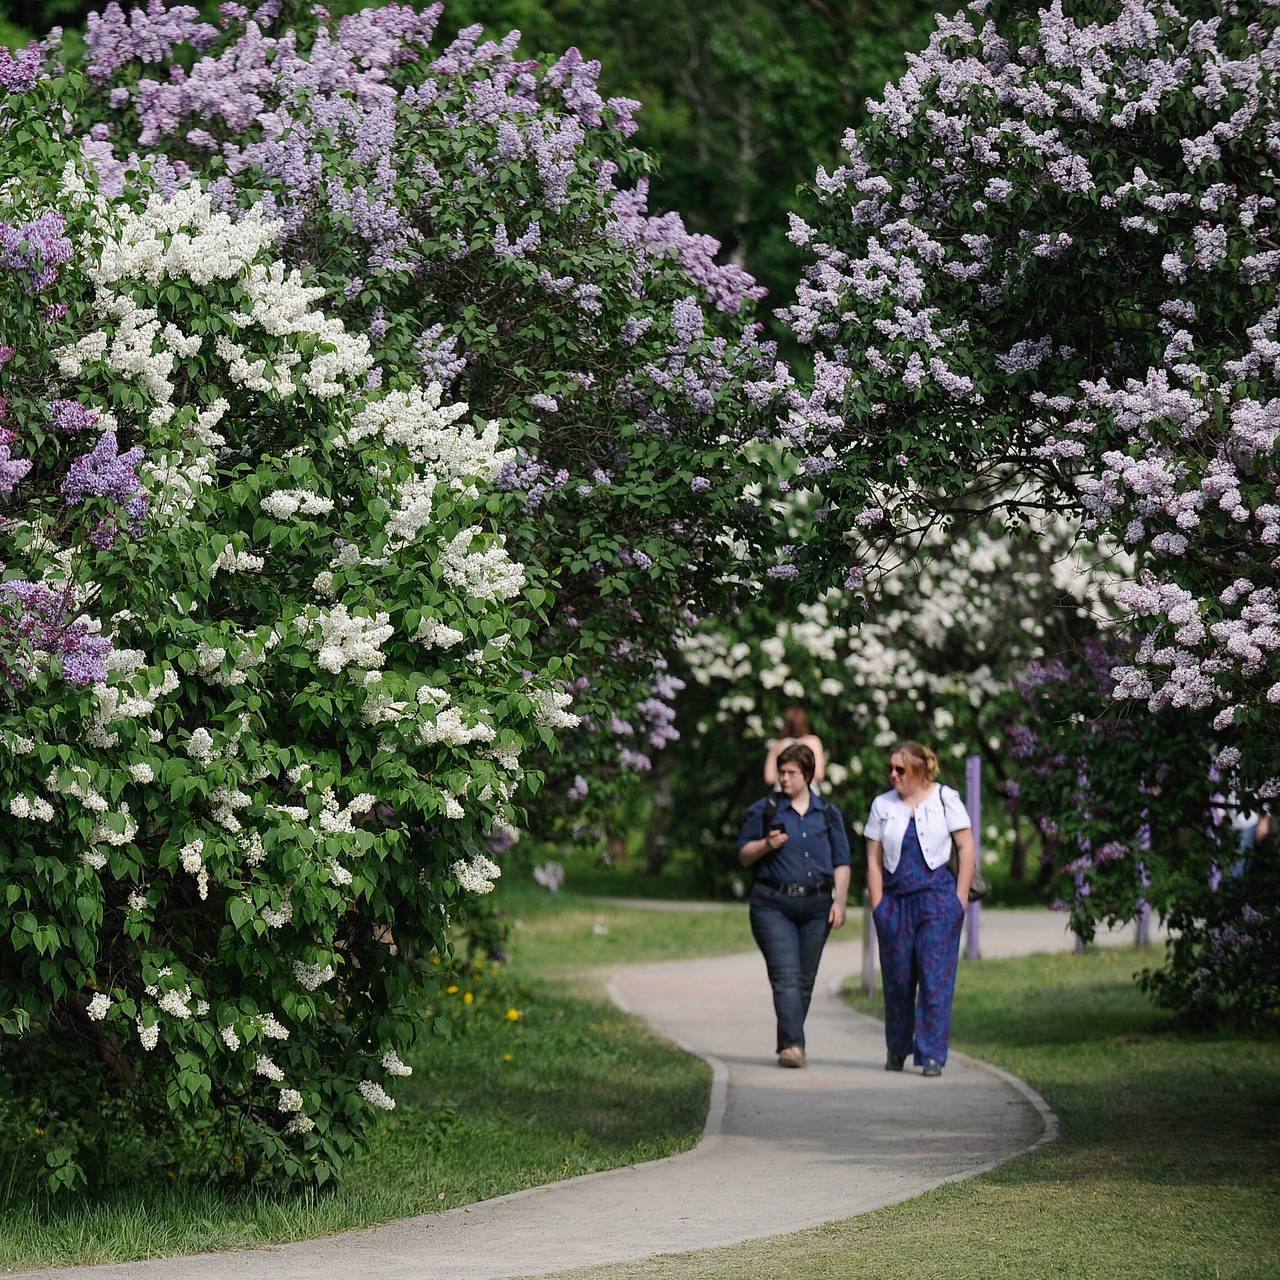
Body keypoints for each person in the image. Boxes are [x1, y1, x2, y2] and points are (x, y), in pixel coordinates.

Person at [865, 740, 975, 1078]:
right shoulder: (882, 804)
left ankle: (931, 1055)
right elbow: (872, 857)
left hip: (938, 901)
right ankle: (897, 1048)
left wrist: (959, 900)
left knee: (935, 978)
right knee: (897, 980)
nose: (893, 775)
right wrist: (879, 905)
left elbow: (966, 847)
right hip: (895, 903)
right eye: (891, 769)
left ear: (920, 771)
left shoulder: (946, 799)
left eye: (901, 769)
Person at [738, 743, 851, 1068]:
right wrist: (766, 844)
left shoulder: (828, 814)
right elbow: (743, 854)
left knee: (804, 980)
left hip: (817, 906)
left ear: (808, 775)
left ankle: (788, 1041)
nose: (783, 779)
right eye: (781, 772)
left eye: (791, 773)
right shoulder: (765, 809)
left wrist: (839, 902)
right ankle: (793, 1046)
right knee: (786, 977)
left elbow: (842, 862)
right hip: (772, 904)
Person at [764, 707, 825, 787]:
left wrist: (785, 776)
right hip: (808, 793)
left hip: (782, 793)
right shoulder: (813, 742)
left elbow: (769, 778)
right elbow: (819, 775)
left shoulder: (778, 745)